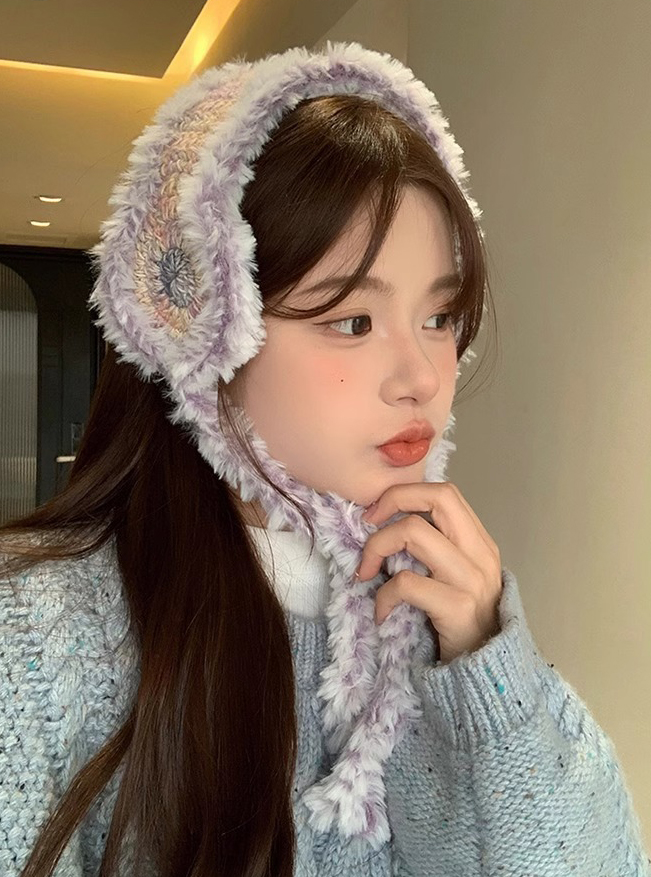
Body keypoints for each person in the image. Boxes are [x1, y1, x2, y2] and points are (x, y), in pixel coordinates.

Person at [0, 40, 649, 877]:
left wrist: (492, 671)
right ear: (201, 332)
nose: (422, 377)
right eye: (352, 321)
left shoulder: (433, 613)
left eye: (440, 317)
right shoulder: (37, 629)